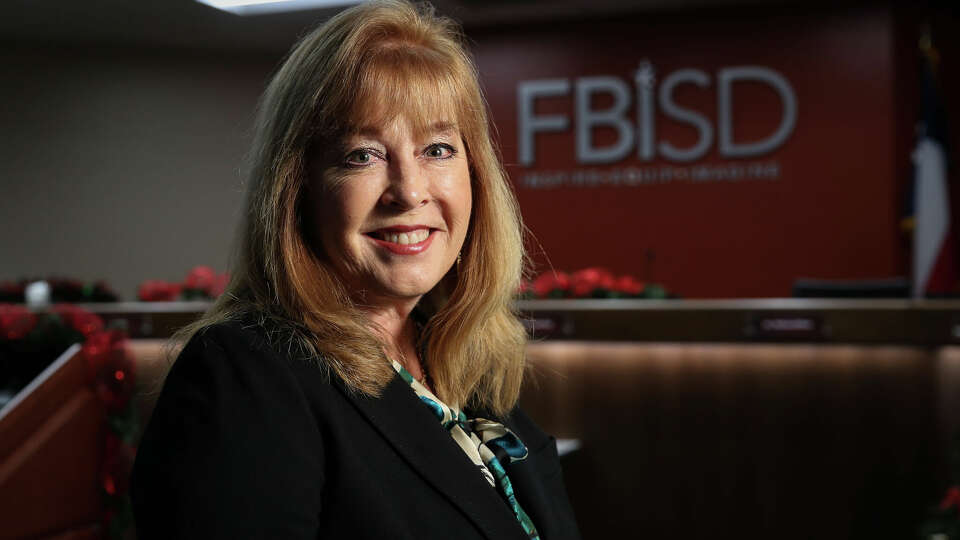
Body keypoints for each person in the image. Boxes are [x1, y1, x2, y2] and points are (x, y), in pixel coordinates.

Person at [130, 1, 581, 538]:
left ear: (476, 176)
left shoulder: (461, 369)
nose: (410, 191)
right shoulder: (244, 377)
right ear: (297, 190)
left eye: (437, 149)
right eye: (362, 155)